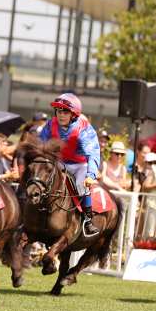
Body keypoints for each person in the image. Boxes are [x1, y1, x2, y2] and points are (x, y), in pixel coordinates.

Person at [39, 92, 101, 235]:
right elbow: (40, 145)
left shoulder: (83, 127)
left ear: (73, 114)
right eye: (59, 111)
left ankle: (87, 220)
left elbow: (92, 152)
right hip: (59, 162)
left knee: (81, 184)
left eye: (65, 111)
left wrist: (91, 174)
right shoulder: (50, 124)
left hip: (80, 165)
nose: (61, 115)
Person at [142, 152, 156, 238]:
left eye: (155, 162)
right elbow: (145, 186)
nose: (152, 165)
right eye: (150, 162)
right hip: (152, 205)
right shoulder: (153, 171)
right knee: (150, 232)